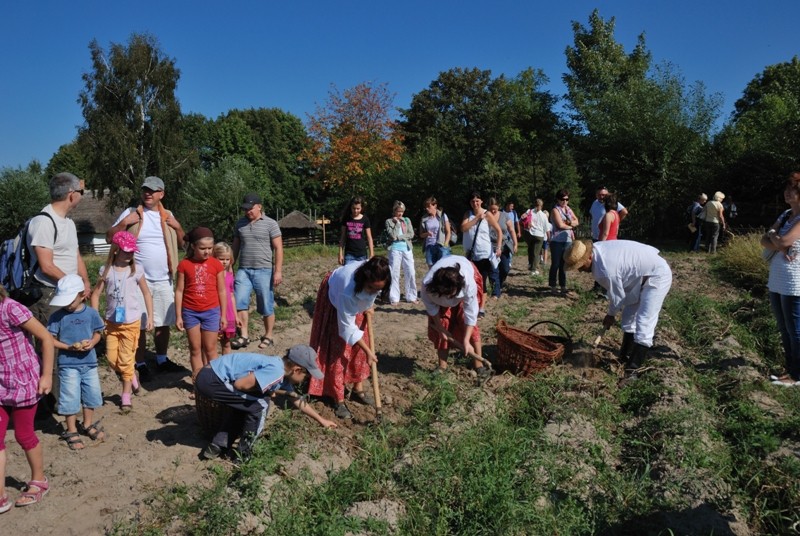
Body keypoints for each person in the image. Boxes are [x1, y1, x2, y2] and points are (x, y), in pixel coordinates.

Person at [195, 345, 337, 461]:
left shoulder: (280, 369)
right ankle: (243, 455)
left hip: (211, 376)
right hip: (213, 380)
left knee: (246, 405)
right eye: (307, 376)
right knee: (260, 404)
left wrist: (321, 420)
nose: (306, 380)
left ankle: (217, 446)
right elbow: (240, 384)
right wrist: (266, 392)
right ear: (297, 370)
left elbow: (296, 398)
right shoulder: (276, 372)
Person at [106, 176, 185, 381]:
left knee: (163, 322)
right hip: (137, 279)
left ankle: (161, 359)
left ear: (161, 194)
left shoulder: (168, 215)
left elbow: (184, 244)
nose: (147, 193)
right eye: (145, 190)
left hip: (164, 277)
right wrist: (124, 223)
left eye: (152, 190)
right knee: (138, 322)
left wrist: (177, 227)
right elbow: (109, 237)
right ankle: (140, 363)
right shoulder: (131, 213)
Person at [564, 240, 672, 373]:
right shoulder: (597, 250)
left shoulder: (604, 270)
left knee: (644, 322)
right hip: (638, 277)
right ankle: (624, 357)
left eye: (581, 266)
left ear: (589, 256)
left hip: (657, 275)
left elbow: (617, 297)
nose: (580, 270)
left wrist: (610, 315)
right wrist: (611, 314)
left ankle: (633, 370)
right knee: (628, 319)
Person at [307, 257, 391, 419]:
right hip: (334, 296)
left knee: (361, 343)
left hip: (356, 298)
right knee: (339, 349)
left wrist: (368, 306)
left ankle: (357, 389)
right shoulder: (347, 290)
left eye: (378, 290)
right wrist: (369, 352)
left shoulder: (378, 274)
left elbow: (370, 292)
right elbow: (346, 329)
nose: (374, 292)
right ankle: (337, 398)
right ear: (364, 281)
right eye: (371, 288)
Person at [0, 284, 55, 510]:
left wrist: (47, 376)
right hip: (1, 383)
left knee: (23, 434)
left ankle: (39, 481)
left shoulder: (10, 308)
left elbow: (46, 338)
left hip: (23, 381)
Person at [90, 232, 154, 411]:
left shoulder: (136, 270)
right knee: (112, 359)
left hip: (131, 323)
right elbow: (95, 294)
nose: (130, 255)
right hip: (111, 323)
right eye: (126, 252)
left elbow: (147, 293)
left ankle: (126, 395)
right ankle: (132, 375)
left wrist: (150, 316)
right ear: (116, 250)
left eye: (132, 252)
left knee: (126, 360)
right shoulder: (106, 270)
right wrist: (95, 318)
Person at [47, 274, 106, 450]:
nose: (67, 304)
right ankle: (71, 429)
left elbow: (98, 332)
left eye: (70, 300)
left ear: (82, 295)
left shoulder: (91, 313)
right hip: (67, 364)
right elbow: (50, 339)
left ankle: (87, 424)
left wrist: (92, 343)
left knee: (91, 395)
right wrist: (67, 347)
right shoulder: (57, 316)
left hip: (89, 363)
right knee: (70, 397)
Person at [27, 172, 91, 325]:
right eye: (80, 192)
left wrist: (85, 282)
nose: (81, 196)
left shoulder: (68, 222)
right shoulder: (43, 222)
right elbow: (46, 266)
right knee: (52, 342)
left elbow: (75, 254)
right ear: (71, 194)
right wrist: (74, 287)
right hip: (50, 292)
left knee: (69, 337)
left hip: (69, 291)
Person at [419, 255, 491, 380]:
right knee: (443, 326)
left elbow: (471, 313)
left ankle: (479, 366)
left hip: (467, 272)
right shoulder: (427, 286)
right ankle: (442, 367)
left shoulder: (468, 283)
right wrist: (441, 329)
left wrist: (466, 340)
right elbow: (432, 309)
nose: (451, 299)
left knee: (467, 324)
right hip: (439, 293)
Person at [761, 172, 800, 386]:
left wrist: (775, 238)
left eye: (793, 189)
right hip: (777, 278)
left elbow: (783, 240)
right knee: (784, 327)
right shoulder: (786, 214)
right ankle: (790, 370)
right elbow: (763, 240)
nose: (787, 192)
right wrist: (776, 240)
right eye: (787, 188)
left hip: (795, 281)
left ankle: (797, 375)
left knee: (795, 328)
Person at [232, 193, 283, 350]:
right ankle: (244, 336)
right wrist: (229, 267)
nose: (248, 212)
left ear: (259, 206)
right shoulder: (240, 224)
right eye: (245, 209)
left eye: (250, 208)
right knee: (240, 301)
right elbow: (235, 247)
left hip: (264, 270)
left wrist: (278, 271)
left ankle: (268, 335)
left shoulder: (270, 224)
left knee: (266, 305)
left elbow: (278, 248)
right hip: (243, 270)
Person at [175, 227, 227, 376]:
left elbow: (222, 290)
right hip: (190, 312)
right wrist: (178, 315)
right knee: (195, 349)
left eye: (210, 248)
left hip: (211, 311)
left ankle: (214, 381)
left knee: (211, 349)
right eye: (203, 248)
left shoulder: (216, 264)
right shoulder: (184, 265)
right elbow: (179, 291)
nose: (207, 252)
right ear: (193, 246)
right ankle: (198, 383)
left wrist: (223, 315)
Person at [461, 192, 502, 312]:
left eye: (477, 201)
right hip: (471, 252)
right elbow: (463, 228)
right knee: (470, 280)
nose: (475, 203)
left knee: (482, 280)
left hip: (484, 253)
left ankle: (481, 308)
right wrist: (477, 218)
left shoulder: (487, 214)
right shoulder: (468, 214)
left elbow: (499, 231)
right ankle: (472, 303)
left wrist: (498, 247)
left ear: (481, 201)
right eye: (473, 201)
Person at [385, 201, 418, 304]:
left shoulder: (407, 220)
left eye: (402, 211)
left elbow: (411, 234)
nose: (400, 214)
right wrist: (397, 224)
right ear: (394, 211)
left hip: (407, 248)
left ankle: (411, 296)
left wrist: (400, 237)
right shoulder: (389, 221)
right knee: (394, 273)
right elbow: (392, 235)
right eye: (398, 211)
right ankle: (394, 298)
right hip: (394, 249)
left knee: (410, 272)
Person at [549, 189, 578, 295]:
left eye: (567, 199)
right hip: (557, 241)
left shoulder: (568, 209)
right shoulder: (555, 210)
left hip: (567, 240)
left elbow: (577, 220)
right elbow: (560, 225)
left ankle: (563, 286)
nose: (565, 201)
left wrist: (569, 223)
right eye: (562, 199)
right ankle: (552, 285)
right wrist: (571, 225)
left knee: (564, 264)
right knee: (555, 264)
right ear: (558, 199)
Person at [487, 198, 517, 298]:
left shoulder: (505, 216)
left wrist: (515, 243)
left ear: (499, 207)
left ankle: (499, 283)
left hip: (504, 245)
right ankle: (496, 291)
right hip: (490, 246)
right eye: (491, 209)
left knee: (505, 268)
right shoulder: (485, 216)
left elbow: (512, 230)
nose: (493, 211)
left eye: (495, 209)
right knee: (493, 269)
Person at [213, 242, 237, 355]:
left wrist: (236, 316)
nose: (225, 262)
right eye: (221, 259)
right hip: (215, 312)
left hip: (228, 313)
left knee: (226, 343)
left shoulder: (230, 274)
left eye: (227, 259)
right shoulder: (212, 275)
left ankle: (226, 367)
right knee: (211, 343)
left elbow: (231, 295)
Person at [338, 196, 374, 265]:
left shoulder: (365, 219)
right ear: (350, 207)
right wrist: (340, 254)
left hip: (362, 254)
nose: (355, 211)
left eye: (358, 209)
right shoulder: (346, 218)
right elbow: (342, 237)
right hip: (349, 254)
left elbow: (369, 237)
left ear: (361, 208)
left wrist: (371, 253)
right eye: (354, 208)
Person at [419, 196, 452, 268]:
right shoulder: (424, 218)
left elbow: (448, 232)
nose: (427, 208)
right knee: (432, 269)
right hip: (429, 246)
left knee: (443, 268)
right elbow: (421, 234)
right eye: (426, 207)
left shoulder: (443, 216)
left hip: (441, 245)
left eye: (429, 206)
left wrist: (445, 244)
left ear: (435, 205)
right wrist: (427, 234)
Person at [521, 199, 549, 275]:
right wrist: (549, 238)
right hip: (539, 235)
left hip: (529, 234)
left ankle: (530, 264)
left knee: (530, 249)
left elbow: (522, 217)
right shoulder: (543, 215)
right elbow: (547, 228)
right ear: (542, 206)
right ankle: (534, 269)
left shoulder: (529, 211)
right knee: (536, 253)